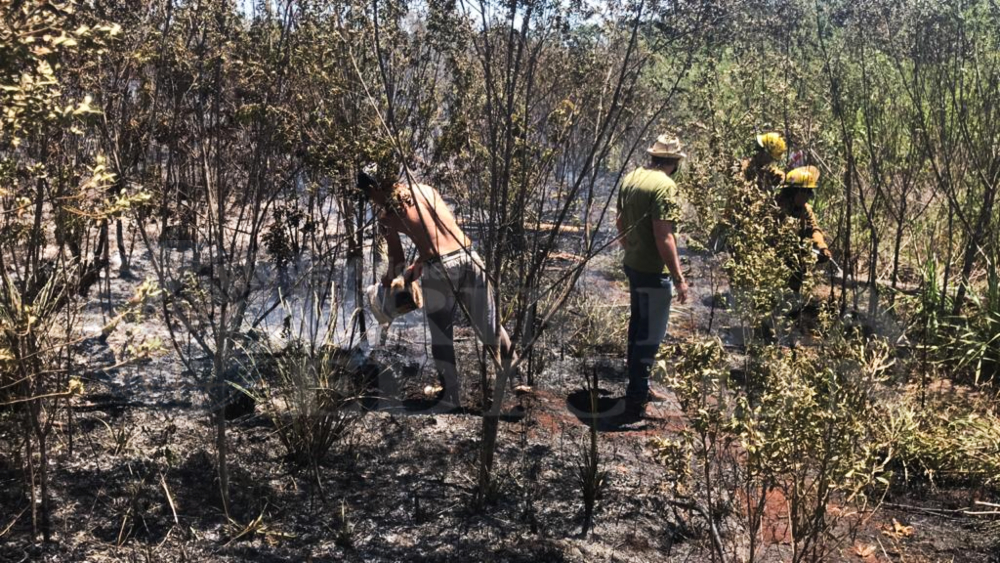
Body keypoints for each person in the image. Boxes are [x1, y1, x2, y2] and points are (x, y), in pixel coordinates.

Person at [357, 171, 515, 411]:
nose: (372, 201)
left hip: (440, 271)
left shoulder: (387, 217)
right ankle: (517, 382)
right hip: (469, 256)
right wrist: (420, 263)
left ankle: (451, 398)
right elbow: (442, 233)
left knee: (442, 336)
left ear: (374, 189)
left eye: (369, 195)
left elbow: (397, 260)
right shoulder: (425, 190)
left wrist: (387, 281)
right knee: (490, 326)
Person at [615, 135, 690, 416]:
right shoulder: (666, 186)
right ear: (675, 162)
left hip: (633, 265)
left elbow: (620, 222)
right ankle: (636, 398)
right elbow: (664, 236)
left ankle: (639, 386)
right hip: (652, 272)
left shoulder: (632, 176)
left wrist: (631, 248)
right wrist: (679, 278)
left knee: (637, 328)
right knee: (650, 335)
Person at [775, 165, 832, 292]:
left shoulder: (805, 210)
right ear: (795, 191)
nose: (807, 197)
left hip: (795, 256)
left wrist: (822, 247)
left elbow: (814, 229)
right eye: (805, 193)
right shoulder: (777, 206)